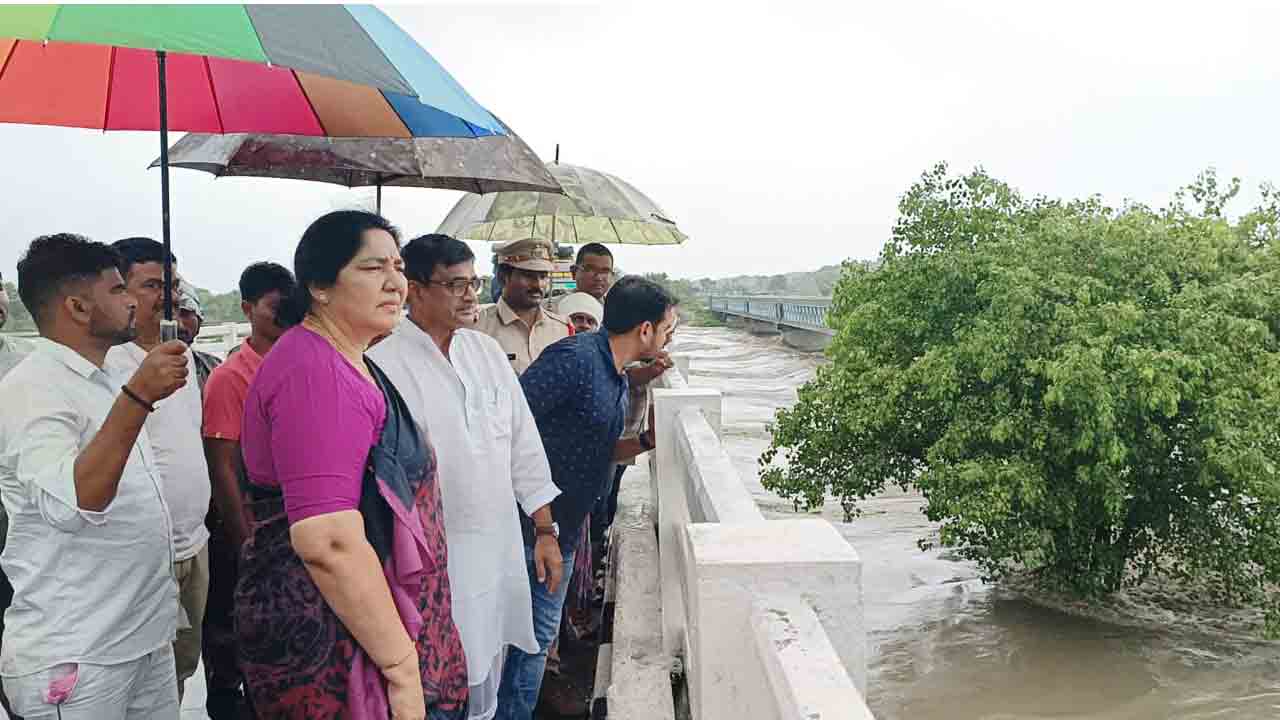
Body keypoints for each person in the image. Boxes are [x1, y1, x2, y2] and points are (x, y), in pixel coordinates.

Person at [236, 211, 468, 720]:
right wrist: (401, 667)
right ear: (319, 286)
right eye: (371, 267)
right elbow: (328, 541)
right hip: (333, 633)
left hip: (356, 618)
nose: (394, 283)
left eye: (398, 266)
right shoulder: (315, 372)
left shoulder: (346, 357)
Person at [370, 234, 562, 720]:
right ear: (414, 289)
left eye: (474, 283)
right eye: (455, 285)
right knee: (434, 682)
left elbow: (523, 445)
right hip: (430, 562)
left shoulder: (486, 352)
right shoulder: (382, 363)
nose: (471, 295)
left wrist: (545, 530)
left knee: (489, 664)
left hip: (496, 549)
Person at [0, 233, 189, 719]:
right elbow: (76, 502)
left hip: (143, 638)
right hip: (79, 655)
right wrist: (139, 398)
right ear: (78, 307)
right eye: (118, 290)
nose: (132, 301)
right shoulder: (32, 388)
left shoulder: (105, 377)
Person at [496, 276, 678, 720]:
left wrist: (646, 441)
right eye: (667, 329)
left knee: (534, 641)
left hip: (564, 526)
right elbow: (507, 425)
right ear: (645, 330)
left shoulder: (615, 374)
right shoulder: (574, 360)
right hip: (528, 526)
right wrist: (540, 523)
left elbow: (598, 449)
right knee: (517, 642)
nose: (670, 340)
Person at [105, 237, 213, 701]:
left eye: (172, 285)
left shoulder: (181, 359)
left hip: (195, 544)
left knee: (182, 665)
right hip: (142, 554)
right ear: (119, 291)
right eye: (151, 285)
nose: (166, 296)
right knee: (140, 676)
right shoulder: (110, 365)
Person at [200, 261, 295, 720]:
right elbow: (223, 468)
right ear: (247, 309)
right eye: (275, 307)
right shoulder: (230, 377)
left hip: (296, 524)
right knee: (235, 641)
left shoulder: (300, 361)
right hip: (254, 524)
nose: (285, 315)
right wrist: (246, 545)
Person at [474, 238, 571, 375]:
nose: (538, 285)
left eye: (543, 276)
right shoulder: (478, 326)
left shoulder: (562, 329)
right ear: (503, 277)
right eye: (528, 276)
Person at [175, 279, 221, 391]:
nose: (179, 325)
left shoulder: (215, 368)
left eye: (185, 314)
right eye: (170, 316)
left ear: (199, 319)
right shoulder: (140, 370)